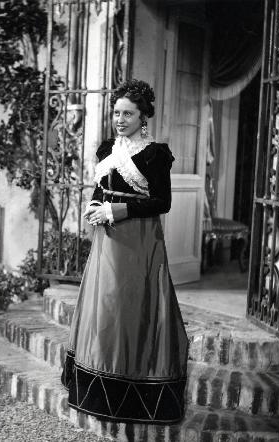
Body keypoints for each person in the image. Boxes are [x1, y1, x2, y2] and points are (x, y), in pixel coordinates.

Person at [61, 79, 189, 424]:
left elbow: (162, 203)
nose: (120, 119)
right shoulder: (107, 148)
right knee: (104, 308)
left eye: (128, 114)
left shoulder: (155, 154)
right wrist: (93, 205)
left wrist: (116, 211)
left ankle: (131, 396)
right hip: (107, 242)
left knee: (129, 307)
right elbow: (99, 187)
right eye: (116, 112)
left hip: (138, 242)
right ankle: (96, 392)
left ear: (143, 116)